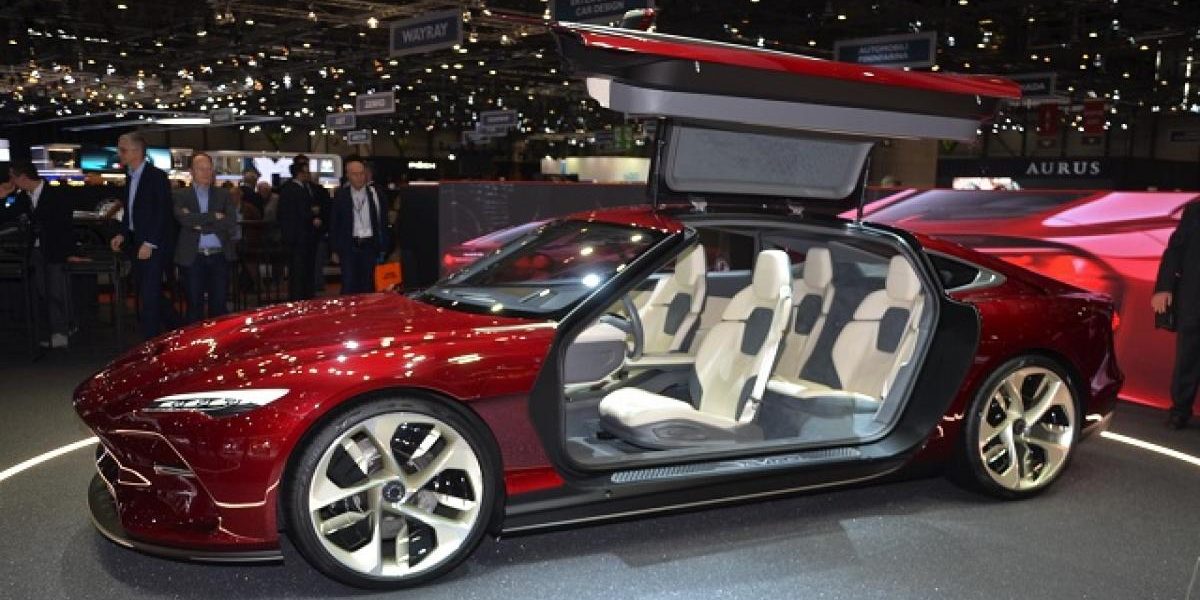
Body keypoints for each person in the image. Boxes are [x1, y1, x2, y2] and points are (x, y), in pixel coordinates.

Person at [109, 130, 179, 340]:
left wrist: (150, 242)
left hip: (153, 244)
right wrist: (122, 234)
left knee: (149, 296)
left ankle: (150, 342)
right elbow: (130, 211)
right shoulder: (130, 176)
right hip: (135, 241)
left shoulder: (156, 176)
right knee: (148, 292)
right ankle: (178, 327)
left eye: (122, 150)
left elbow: (162, 212)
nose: (119, 154)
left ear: (137, 151)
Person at [4, 162, 75, 348]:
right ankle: (60, 328)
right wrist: (2, 196)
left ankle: (61, 331)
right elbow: (6, 215)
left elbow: (65, 226)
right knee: (44, 291)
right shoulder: (23, 197)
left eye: (13, 177)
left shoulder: (56, 194)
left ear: (23, 177)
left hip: (54, 249)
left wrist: (70, 252)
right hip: (35, 250)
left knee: (56, 291)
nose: (11, 181)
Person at [173, 152, 236, 323]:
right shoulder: (180, 195)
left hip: (219, 256)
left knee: (219, 307)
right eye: (201, 169)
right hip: (193, 257)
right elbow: (184, 219)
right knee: (194, 306)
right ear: (191, 171)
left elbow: (230, 221)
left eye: (209, 169)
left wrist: (201, 226)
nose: (206, 173)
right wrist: (214, 216)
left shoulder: (223, 194)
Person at [1154, 202, 1200, 429]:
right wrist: (1164, 287)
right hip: (1194, 297)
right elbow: (1175, 250)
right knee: (1188, 356)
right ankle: (1180, 409)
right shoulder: (1195, 211)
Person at [331, 156, 389, 295]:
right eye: (355, 174)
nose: (359, 177)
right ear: (348, 176)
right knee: (349, 284)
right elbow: (335, 223)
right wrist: (334, 249)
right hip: (349, 246)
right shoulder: (341, 196)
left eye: (362, 173)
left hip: (369, 246)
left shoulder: (375, 194)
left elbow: (383, 221)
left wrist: (384, 246)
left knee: (368, 285)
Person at [277, 161, 321, 300]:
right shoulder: (298, 190)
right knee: (301, 271)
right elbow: (300, 213)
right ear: (300, 173)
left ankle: (299, 297)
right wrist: (312, 214)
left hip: (292, 238)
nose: (309, 174)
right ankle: (302, 298)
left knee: (297, 271)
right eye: (306, 172)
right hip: (301, 238)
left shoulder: (287, 189)